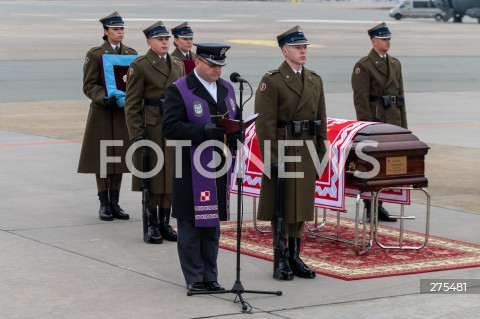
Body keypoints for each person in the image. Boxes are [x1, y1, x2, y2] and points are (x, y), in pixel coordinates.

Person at [163, 43, 239, 293]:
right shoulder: (180, 89)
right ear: (197, 62)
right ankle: (194, 278)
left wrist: (239, 132)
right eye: (213, 65)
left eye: (220, 66)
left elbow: (233, 118)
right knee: (191, 225)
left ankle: (210, 276)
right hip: (190, 168)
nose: (217, 70)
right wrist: (201, 131)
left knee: (211, 225)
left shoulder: (227, 88)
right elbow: (170, 128)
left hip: (217, 166)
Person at [254, 26, 328, 281]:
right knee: (281, 208)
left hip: (306, 149)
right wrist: (272, 159)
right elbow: (264, 125)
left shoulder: (314, 79)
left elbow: (321, 121)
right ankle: (280, 258)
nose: (303, 51)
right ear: (285, 51)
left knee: (302, 207)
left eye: (305, 46)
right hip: (283, 149)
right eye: (298, 47)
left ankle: (296, 256)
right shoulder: (272, 80)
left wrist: (321, 153)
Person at [124, 21, 185, 244]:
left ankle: (164, 222)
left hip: (172, 125)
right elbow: (131, 104)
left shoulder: (177, 64)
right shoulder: (140, 65)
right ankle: (150, 224)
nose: (165, 43)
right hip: (152, 127)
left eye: (167, 39)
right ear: (149, 42)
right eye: (160, 39)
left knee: (170, 179)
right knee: (153, 177)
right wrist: (136, 135)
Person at [78, 11, 136, 222]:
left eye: (122, 29)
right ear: (106, 31)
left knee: (119, 156)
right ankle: (104, 203)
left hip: (121, 112)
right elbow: (89, 85)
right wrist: (104, 97)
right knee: (103, 158)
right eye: (115, 29)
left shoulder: (130, 53)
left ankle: (115, 202)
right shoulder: (95, 54)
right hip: (103, 112)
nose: (120, 33)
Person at [351, 22, 407, 222]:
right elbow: (361, 100)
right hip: (375, 122)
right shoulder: (363, 66)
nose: (388, 42)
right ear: (374, 41)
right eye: (384, 39)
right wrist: (366, 127)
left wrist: (404, 129)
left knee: (387, 167)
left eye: (389, 38)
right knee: (372, 167)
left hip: (393, 121)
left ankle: (380, 205)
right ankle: (370, 206)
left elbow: (400, 97)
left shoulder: (395, 64)